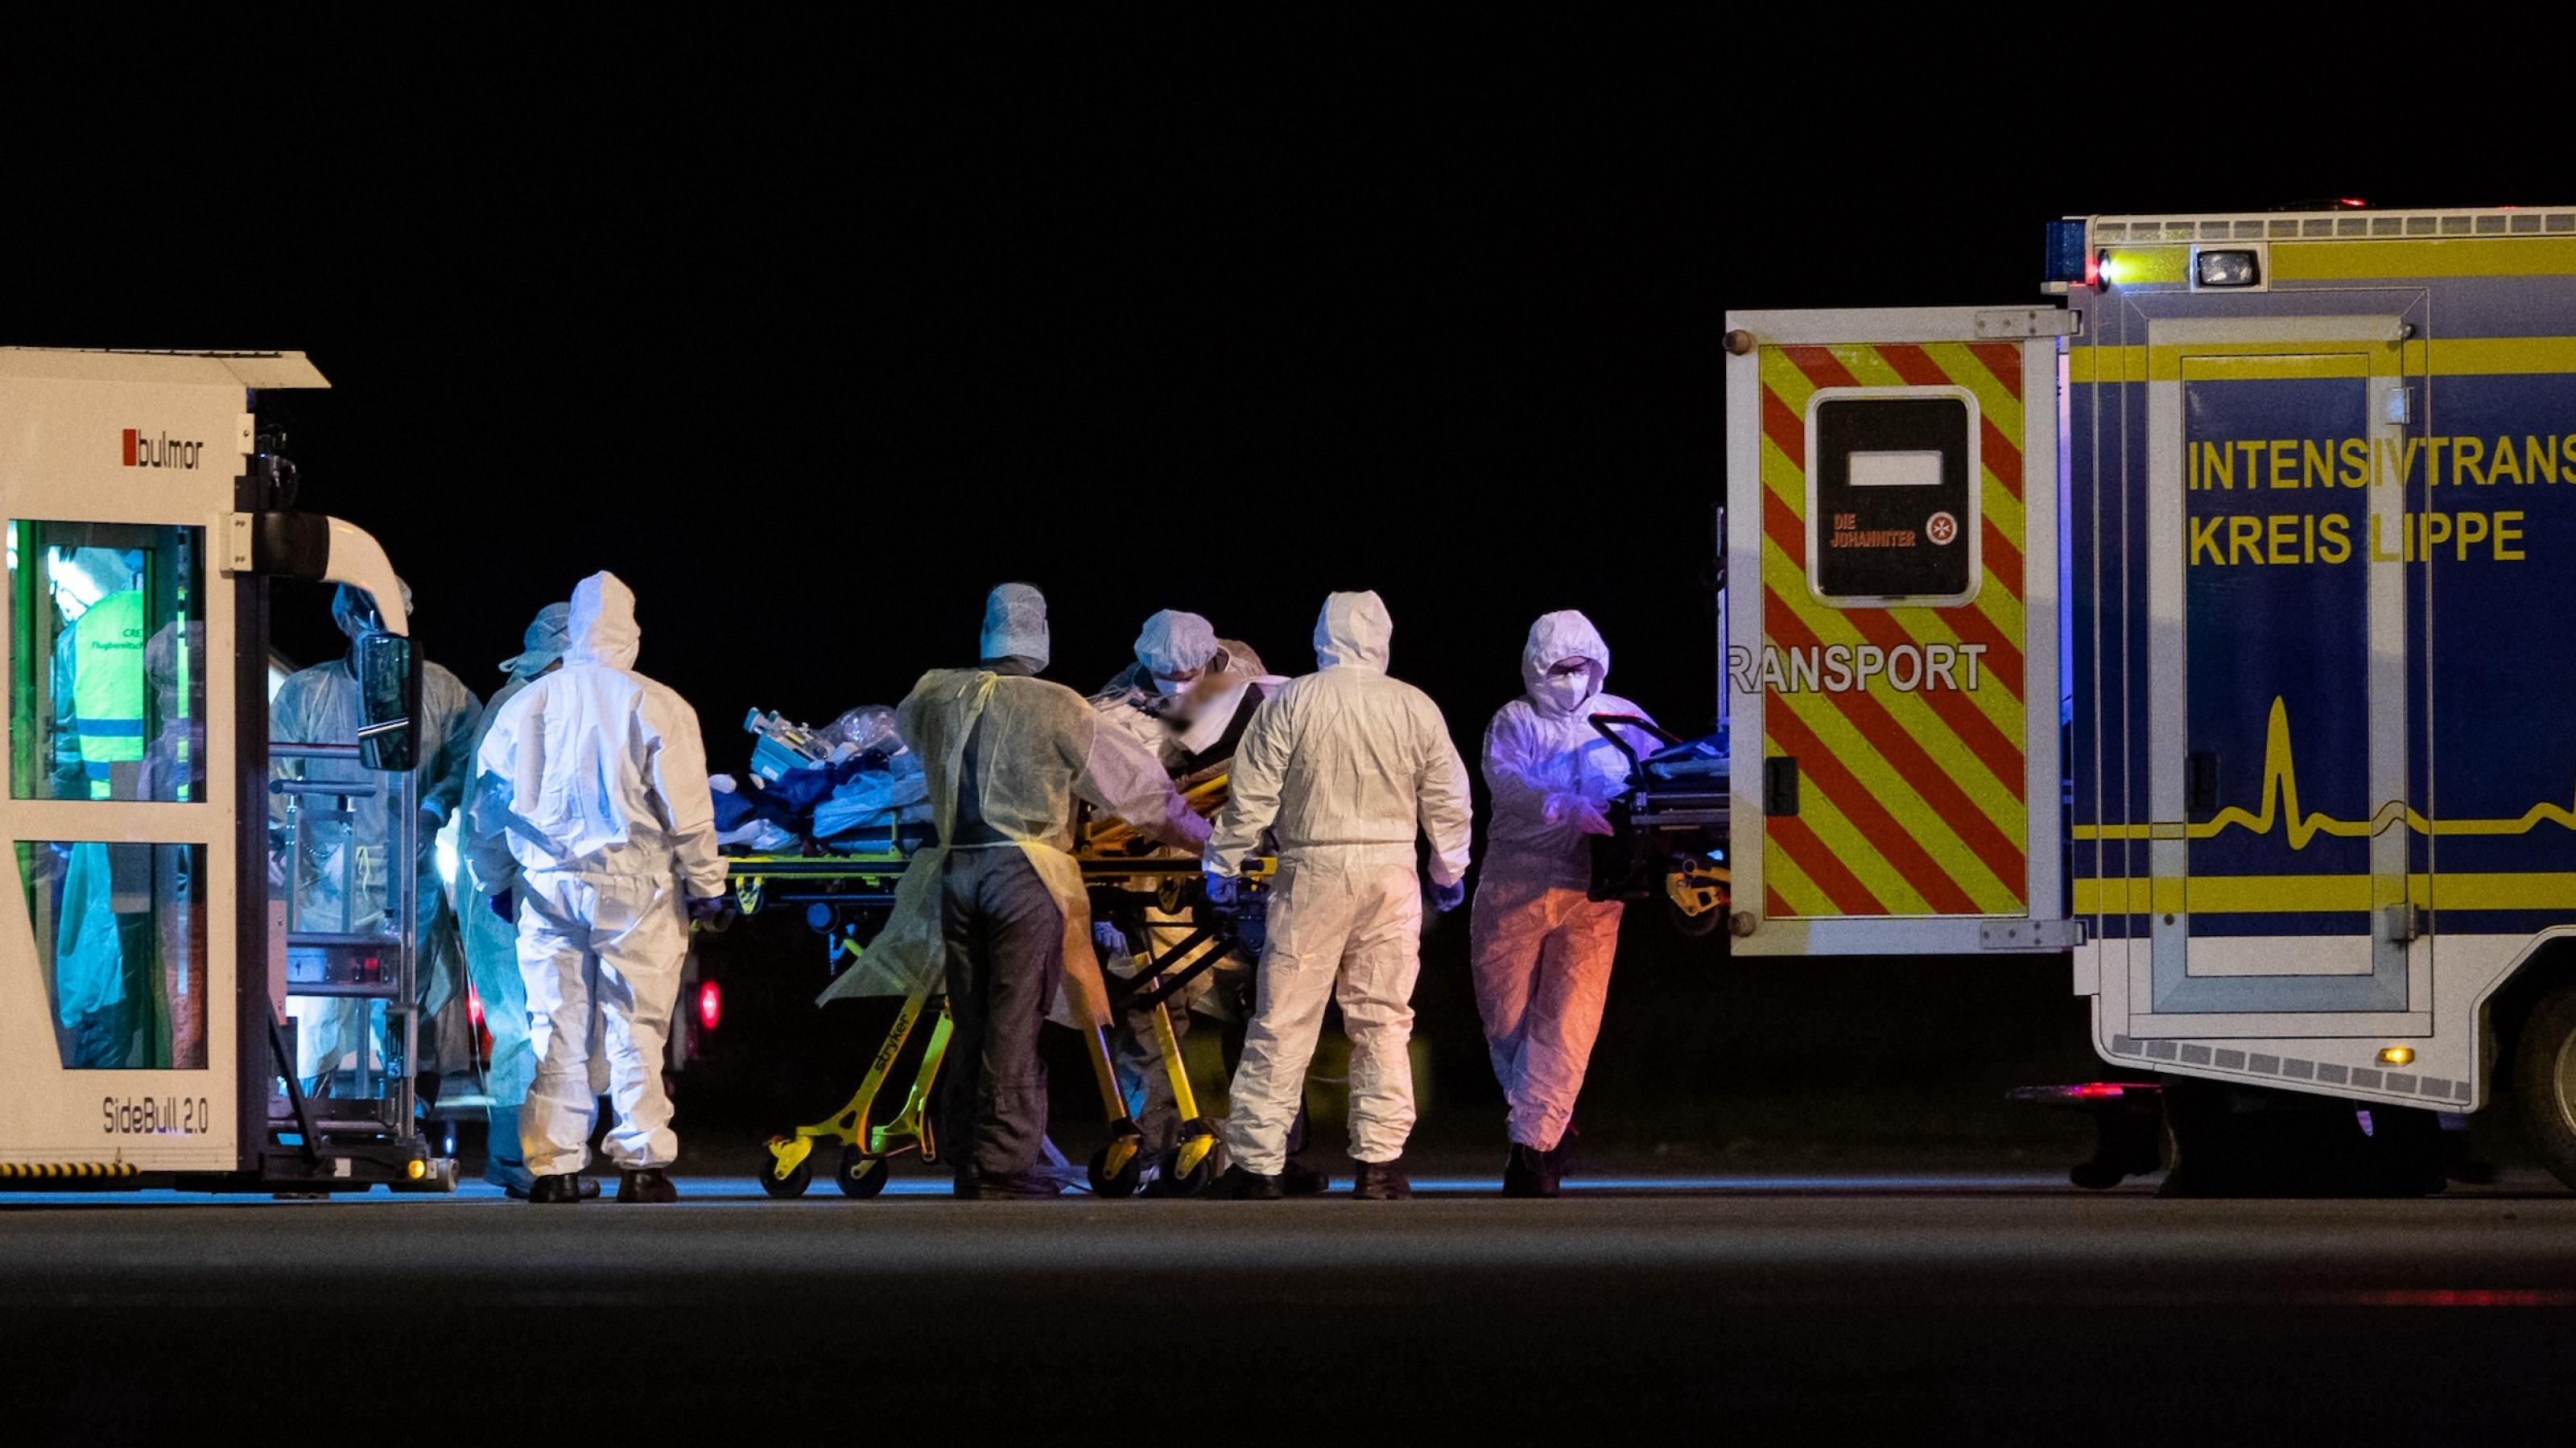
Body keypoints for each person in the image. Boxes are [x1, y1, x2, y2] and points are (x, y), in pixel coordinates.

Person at [861, 584, 1208, 1198]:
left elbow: (911, 744)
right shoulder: (1058, 706)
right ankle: (1001, 1168)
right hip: (1025, 875)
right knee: (1014, 1022)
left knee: (971, 1017)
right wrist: (1209, 839)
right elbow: (1139, 793)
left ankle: (969, 1151)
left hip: (956, 868)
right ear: (1039, 633)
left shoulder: (935, 692)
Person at [1203, 591, 1472, 1200]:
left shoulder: (1292, 700)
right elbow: (1448, 798)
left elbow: (1251, 796)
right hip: (1391, 873)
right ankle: (1379, 1165)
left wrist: (1221, 865)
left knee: (1284, 1018)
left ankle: (1257, 1164)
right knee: (1382, 1018)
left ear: (1322, 635)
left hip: (1312, 868)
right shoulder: (1415, 706)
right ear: (1383, 636)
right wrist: (1448, 871)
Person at [471, 572, 724, 1204]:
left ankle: (554, 1167)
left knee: (555, 1024)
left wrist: (494, 878)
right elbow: (688, 811)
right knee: (636, 1024)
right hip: (638, 888)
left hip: (548, 886)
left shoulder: (524, 705)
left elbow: (487, 809)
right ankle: (641, 1163)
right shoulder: (658, 703)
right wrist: (708, 883)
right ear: (630, 631)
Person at [1090, 611, 1334, 1194]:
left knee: (1266, 1012)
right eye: (1166, 675)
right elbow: (1117, 781)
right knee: (1151, 1009)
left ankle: (1268, 1149)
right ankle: (1152, 1145)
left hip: (1241, 868)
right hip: (1156, 872)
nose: (1178, 684)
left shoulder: (1247, 685)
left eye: (1189, 674)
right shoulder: (1120, 702)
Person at [1474, 610, 1658, 1197]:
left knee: (1569, 1022)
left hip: (1591, 890)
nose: (1571, 678)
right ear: (1535, 667)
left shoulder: (1624, 719)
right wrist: (1559, 804)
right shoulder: (1514, 720)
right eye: (1559, 667)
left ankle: (1533, 1155)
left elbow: (1663, 775)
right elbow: (1506, 781)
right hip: (1515, 885)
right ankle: (1548, 1126)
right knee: (1506, 1020)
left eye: (1581, 667)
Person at [273, 581, 481, 1091]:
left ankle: (410, 1118)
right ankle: (309, 1119)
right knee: (318, 1013)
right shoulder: (308, 693)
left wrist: (434, 808)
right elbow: (273, 770)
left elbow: (475, 758)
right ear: (344, 621)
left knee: (412, 1009)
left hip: (408, 878)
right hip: (325, 881)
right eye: (365, 613)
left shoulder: (441, 692)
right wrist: (281, 839)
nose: (378, 625)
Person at [456, 602, 569, 1195]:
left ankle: (541, 1149)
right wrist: (500, 883)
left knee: (543, 1021)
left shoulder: (547, 701)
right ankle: (510, 1153)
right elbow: (492, 811)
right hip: (499, 886)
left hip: (522, 883)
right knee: (520, 1022)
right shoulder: (519, 706)